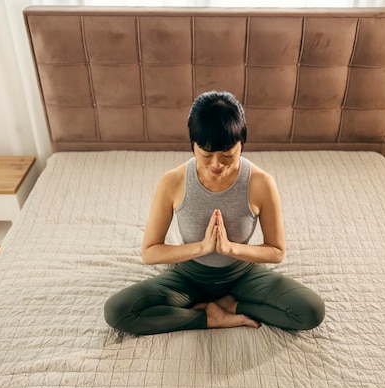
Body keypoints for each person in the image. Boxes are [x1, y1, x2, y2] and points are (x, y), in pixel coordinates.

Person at [104, 91, 325, 335]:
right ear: (193, 145)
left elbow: (276, 251)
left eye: (228, 154)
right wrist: (201, 248)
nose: (216, 164)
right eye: (206, 154)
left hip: (242, 274)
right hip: (187, 277)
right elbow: (149, 252)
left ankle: (231, 304)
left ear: (242, 143)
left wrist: (231, 249)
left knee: (310, 311)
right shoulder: (172, 182)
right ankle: (208, 317)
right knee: (118, 311)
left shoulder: (261, 183)